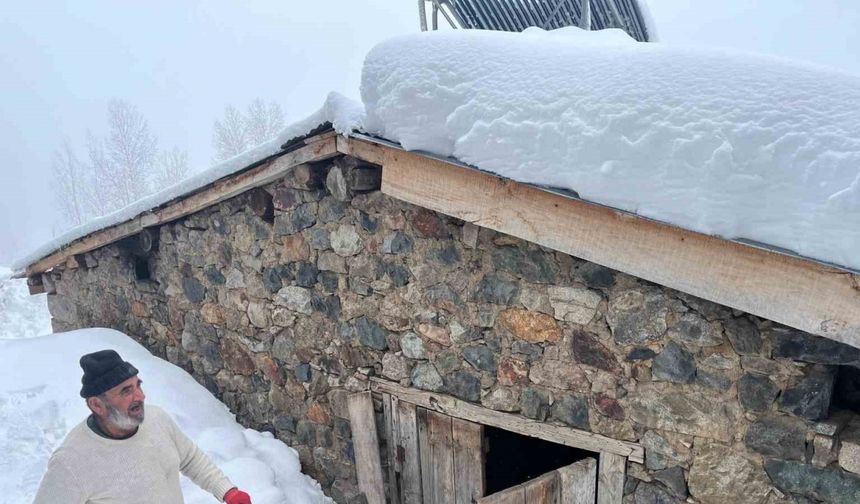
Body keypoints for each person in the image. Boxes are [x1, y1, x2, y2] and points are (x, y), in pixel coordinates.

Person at [33, 349, 253, 504]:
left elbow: (190, 458)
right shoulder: (72, 461)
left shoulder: (157, 420)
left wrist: (227, 491)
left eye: (138, 385)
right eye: (126, 391)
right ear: (96, 404)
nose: (140, 396)